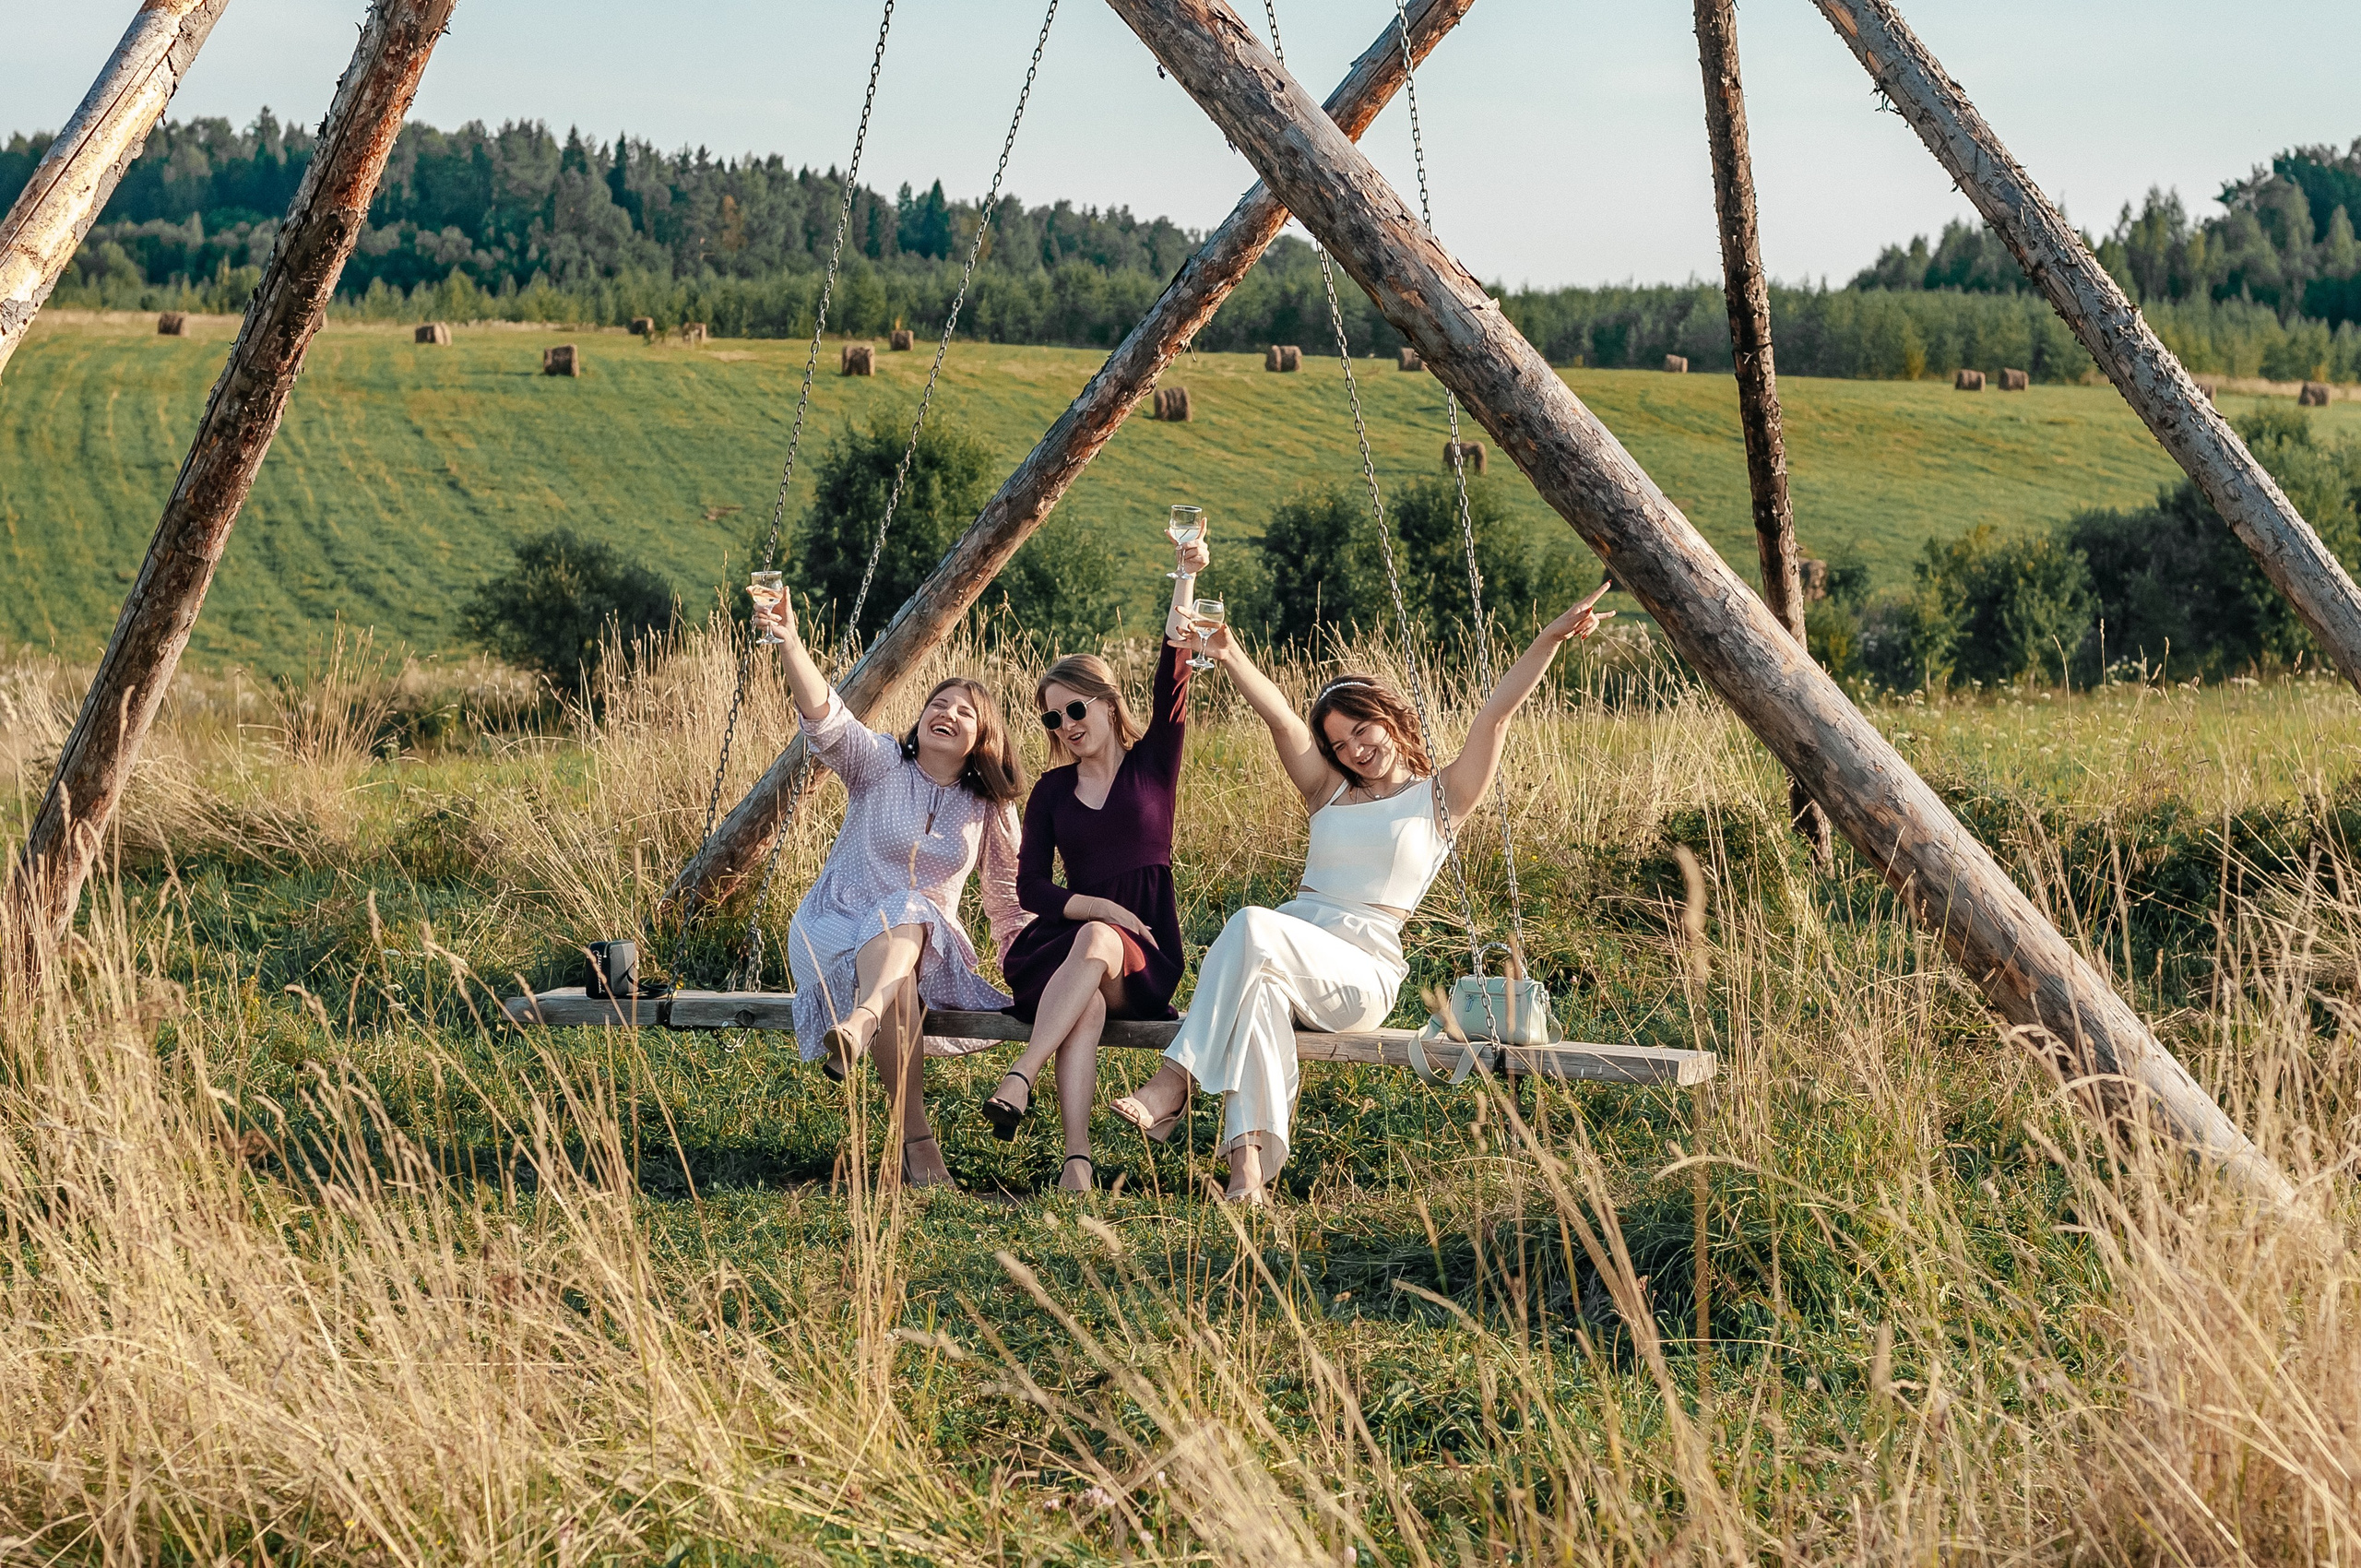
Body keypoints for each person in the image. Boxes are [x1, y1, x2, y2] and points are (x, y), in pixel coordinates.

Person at [1109, 588, 1615, 1203]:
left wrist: (1549, 640)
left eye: (1361, 729)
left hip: (1360, 975)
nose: (1354, 749)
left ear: (1388, 716)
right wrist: (1231, 652)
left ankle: (1174, 1081)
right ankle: (1246, 1179)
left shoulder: (1440, 798)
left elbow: (1494, 717)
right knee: (1262, 997)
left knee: (1249, 924)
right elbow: (1280, 718)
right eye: (1339, 743)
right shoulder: (1327, 791)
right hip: (1286, 955)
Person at [751, 588, 1029, 1189]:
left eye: (964, 711)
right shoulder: (878, 764)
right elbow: (825, 717)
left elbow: (1008, 902)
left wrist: (1034, 971)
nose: (947, 713)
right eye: (940, 702)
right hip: (832, 935)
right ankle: (919, 1149)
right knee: (900, 937)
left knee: (908, 918)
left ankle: (863, 1027)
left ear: (984, 737)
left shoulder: (989, 810)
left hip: (926, 955)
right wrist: (791, 640)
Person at [980, 535, 1212, 1192]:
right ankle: (1076, 1164)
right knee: (1087, 967)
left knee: (1101, 943)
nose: (1066, 725)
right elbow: (1029, 886)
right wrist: (1099, 909)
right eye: (1053, 719)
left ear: (1108, 705)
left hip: (1143, 956)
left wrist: (1183, 578)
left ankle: (1019, 1077)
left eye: (1076, 709)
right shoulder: (1052, 792)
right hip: (1070, 949)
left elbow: (1175, 667)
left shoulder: (1154, 765)